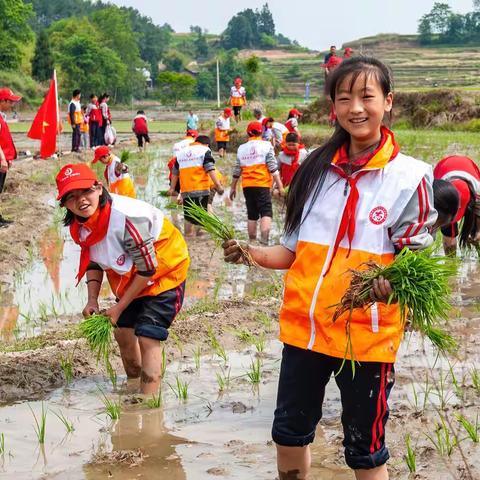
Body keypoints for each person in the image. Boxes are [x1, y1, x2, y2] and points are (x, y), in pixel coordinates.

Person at [223, 57, 436, 480]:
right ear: (333, 108)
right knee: (288, 433)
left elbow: (414, 268)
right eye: (344, 98)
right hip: (305, 331)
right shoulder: (315, 172)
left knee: (364, 448)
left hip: (366, 339)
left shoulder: (409, 178)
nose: (356, 108)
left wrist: (387, 286)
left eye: (366, 97)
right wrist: (250, 253)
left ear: (388, 102)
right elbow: (290, 253)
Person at [56, 163, 189, 394]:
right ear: (64, 204)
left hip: (164, 273)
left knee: (148, 334)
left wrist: (119, 307)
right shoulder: (81, 226)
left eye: (86, 191)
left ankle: (149, 405)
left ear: (98, 187)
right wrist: (92, 300)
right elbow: (94, 259)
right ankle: (133, 385)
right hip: (131, 278)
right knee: (123, 332)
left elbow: (148, 270)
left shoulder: (127, 218)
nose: (81, 201)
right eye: (71, 197)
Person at [230, 121, 284, 244]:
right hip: (262, 184)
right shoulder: (266, 145)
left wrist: (233, 188)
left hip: (247, 186)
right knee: (266, 211)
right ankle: (264, 240)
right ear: (261, 131)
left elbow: (237, 170)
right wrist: (280, 186)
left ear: (248, 133)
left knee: (252, 213)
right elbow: (273, 168)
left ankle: (252, 241)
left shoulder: (241, 148)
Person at [168, 135, 224, 237]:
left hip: (186, 190)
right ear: (206, 144)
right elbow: (210, 168)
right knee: (202, 213)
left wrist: (172, 188)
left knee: (189, 215)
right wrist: (218, 185)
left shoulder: (180, 153)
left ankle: (188, 236)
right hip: (201, 188)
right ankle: (201, 236)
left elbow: (175, 172)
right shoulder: (204, 150)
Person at [433, 155, 480, 255]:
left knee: (477, 234)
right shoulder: (440, 191)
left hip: (469, 169)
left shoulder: (478, 192)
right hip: (443, 169)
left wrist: (478, 231)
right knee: (449, 238)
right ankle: (451, 261)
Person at [0, 87, 21, 228]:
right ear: (3, 101)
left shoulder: (1, 116)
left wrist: (9, 157)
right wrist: (2, 158)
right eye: (10, 102)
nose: (12, 105)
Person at [168, 130, 199, 200]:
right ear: (195, 137)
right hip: (188, 173)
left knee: (175, 193)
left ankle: (174, 207)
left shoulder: (177, 144)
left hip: (175, 172)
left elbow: (174, 161)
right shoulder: (195, 144)